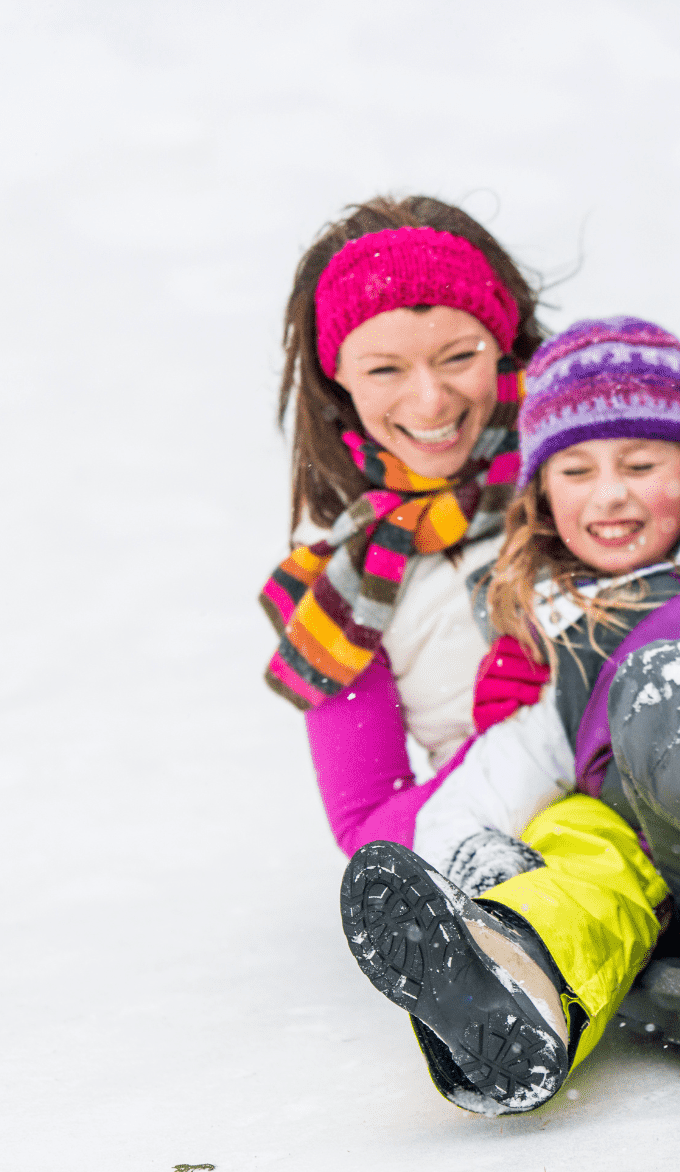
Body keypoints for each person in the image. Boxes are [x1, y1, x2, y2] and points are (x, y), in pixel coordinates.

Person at [335, 318, 680, 1112]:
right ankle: (512, 980)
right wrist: (475, 858)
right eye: (575, 470)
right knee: (593, 834)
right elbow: (478, 788)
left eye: (641, 464)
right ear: (540, 495)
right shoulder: (565, 653)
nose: (610, 493)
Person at [260, 195, 546, 854]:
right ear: (339, 381)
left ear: (503, 343)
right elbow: (369, 828)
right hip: (535, 852)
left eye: (457, 357)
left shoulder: (596, 476)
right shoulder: (347, 591)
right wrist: (521, 774)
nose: (430, 399)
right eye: (385, 369)